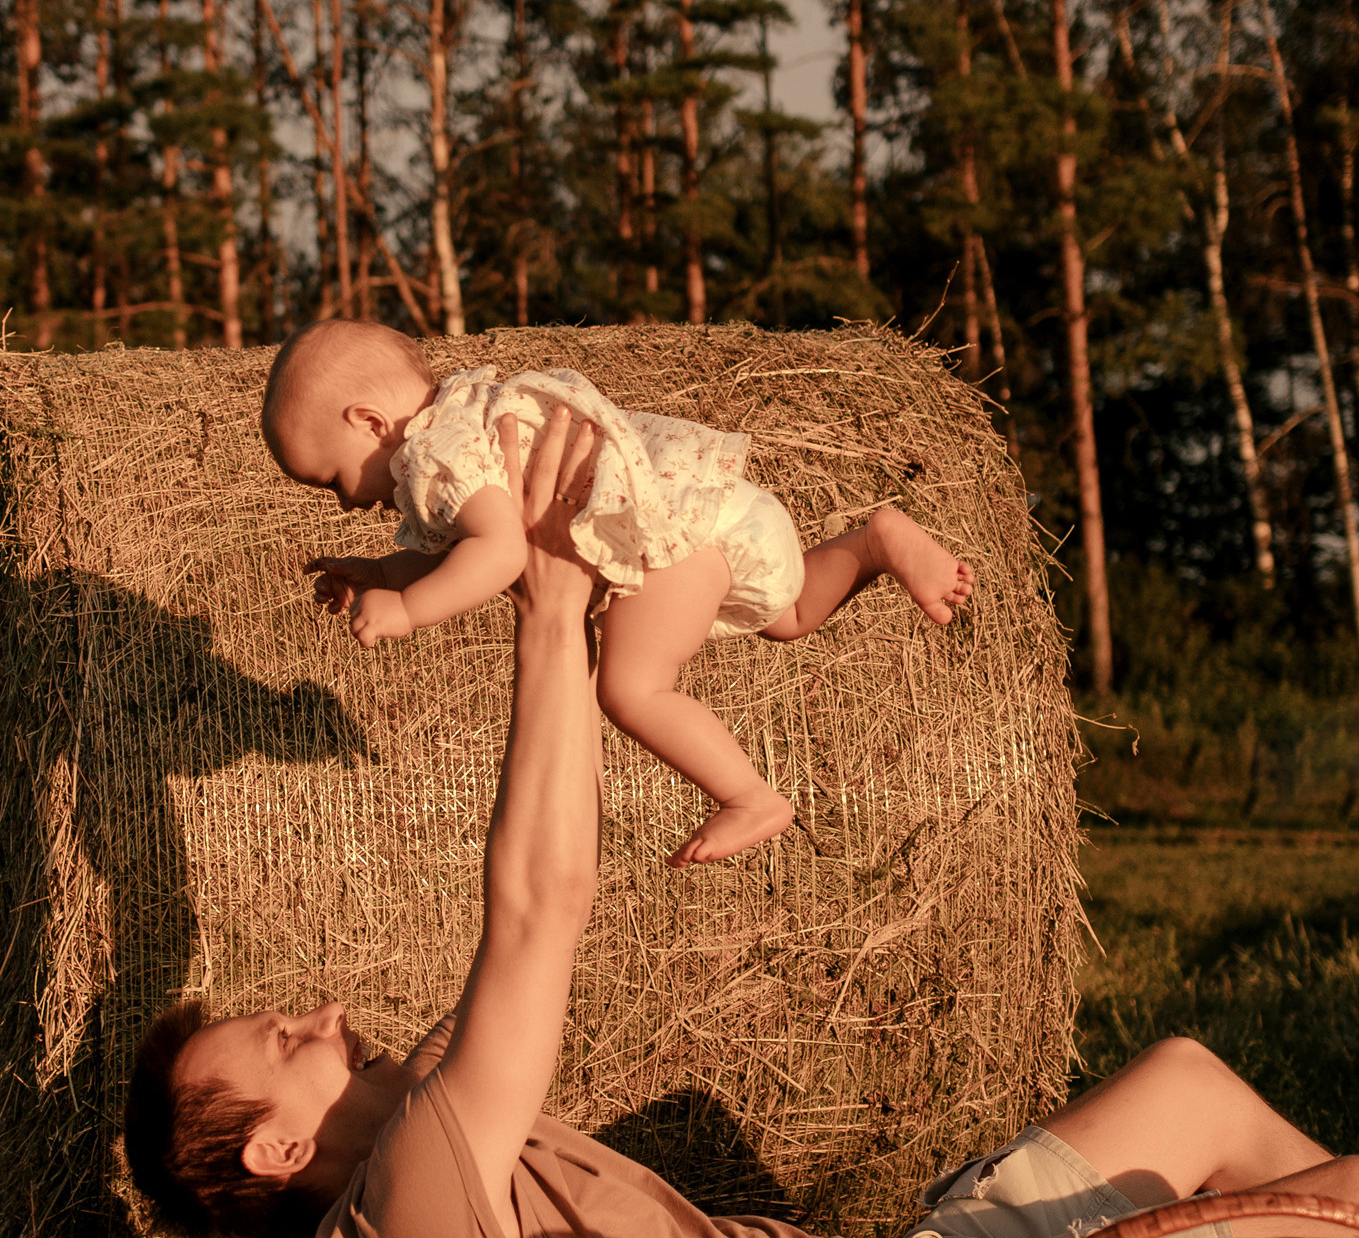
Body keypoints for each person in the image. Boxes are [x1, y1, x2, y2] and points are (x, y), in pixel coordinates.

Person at [127, 403, 1359, 1238]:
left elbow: (546, 872)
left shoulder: (435, 1160)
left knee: (1193, 1090)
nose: (323, 1011)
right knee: (1353, 1205)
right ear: (275, 1153)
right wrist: (547, 618)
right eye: (285, 1038)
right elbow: (539, 906)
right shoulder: (412, 1207)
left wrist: (575, 637)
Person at [259, 317, 973, 864]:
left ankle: (750, 797)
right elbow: (467, 546)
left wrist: (408, 609)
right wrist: (380, 573)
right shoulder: (459, 420)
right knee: (785, 615)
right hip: (727, 516)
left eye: (332, 480)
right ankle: (871, 544)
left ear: (370, 423)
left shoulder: (431, 456)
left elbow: (500, 550)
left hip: (679, 533)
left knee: (629, 689)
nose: (345, 503)